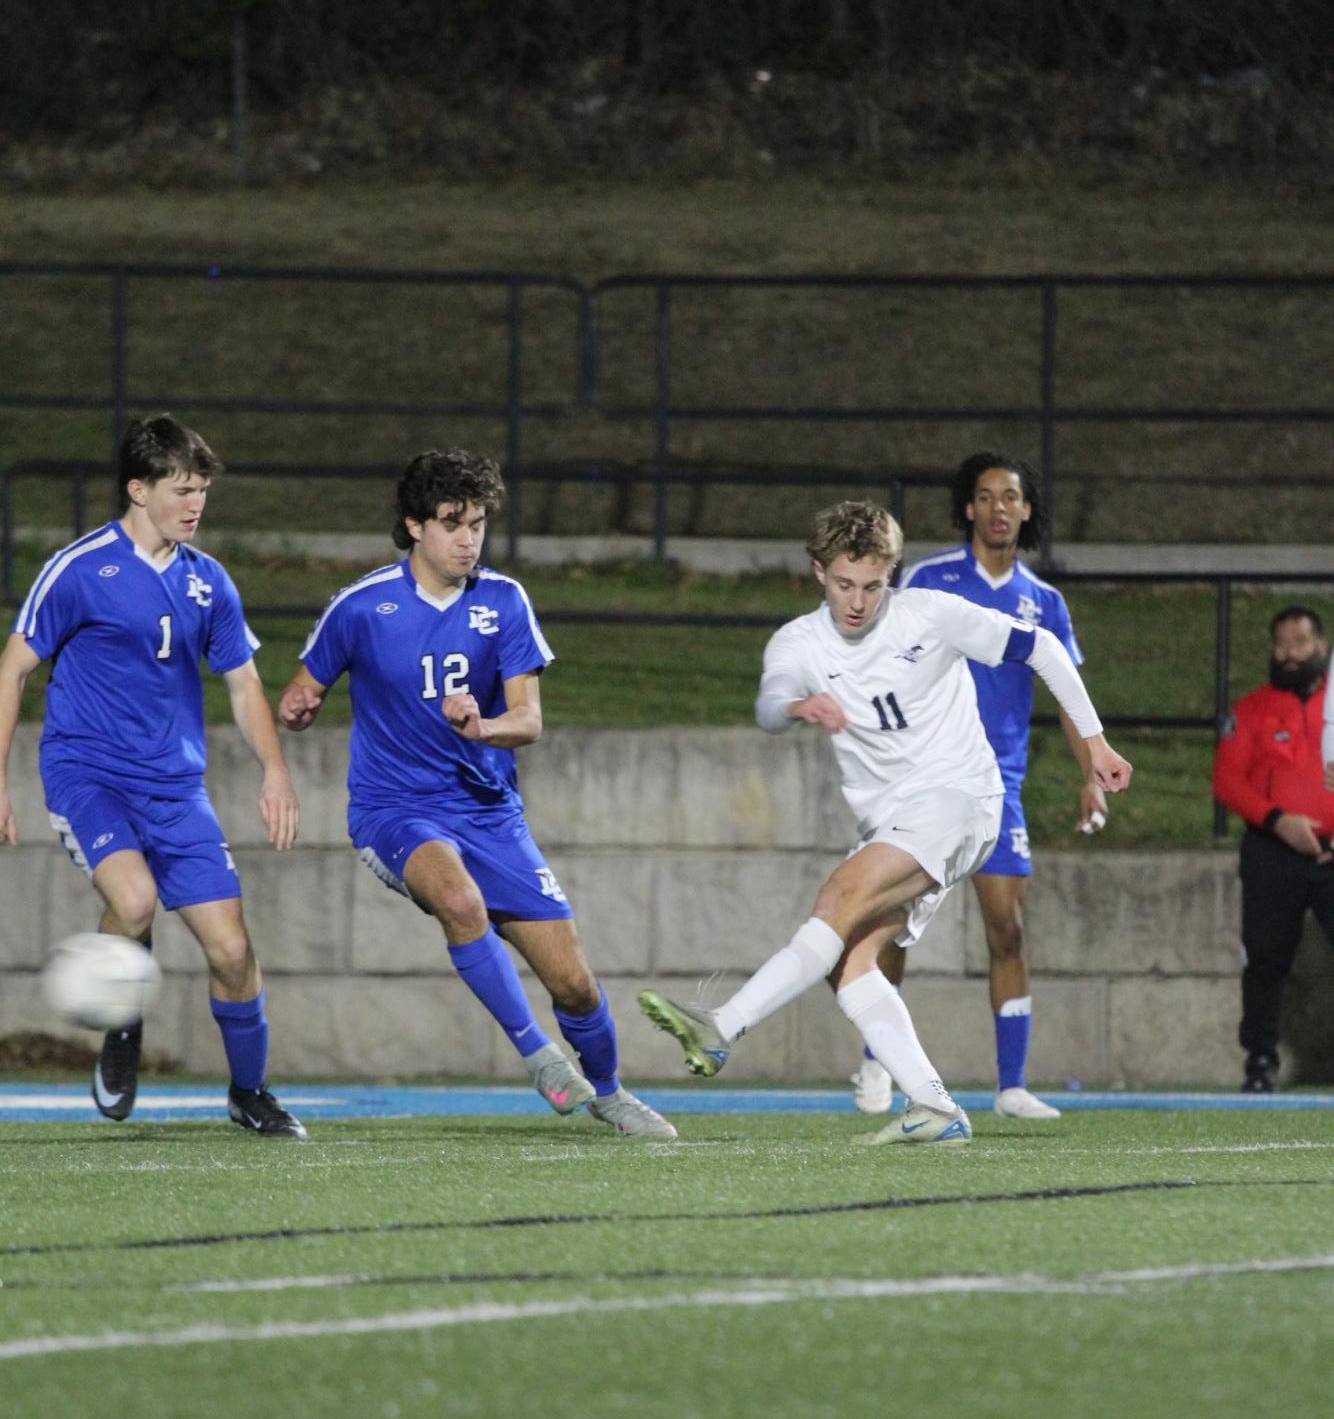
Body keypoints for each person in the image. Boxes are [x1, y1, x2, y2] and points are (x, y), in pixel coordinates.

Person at [639, 499, 1131, 1145]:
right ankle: (934, 1105)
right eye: (844, 583)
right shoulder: (798, 642)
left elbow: (1040, 646)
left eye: (873, 586)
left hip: (959, 798)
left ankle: (721, 1027)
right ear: (819, 572)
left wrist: (1095, 745)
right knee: (849, 959)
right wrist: (795, 706)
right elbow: (767, 703)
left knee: (836, 898)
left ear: (891, 576)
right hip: (893, 822)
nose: (857, 601)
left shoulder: (931, 614)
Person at [276, 447, 675, 1140]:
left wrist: (483, 726)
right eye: (452, 523)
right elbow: (299, 693)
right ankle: (538, 1055)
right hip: (393, 810)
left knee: (574, 983)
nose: (469, 539)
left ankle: (611, 1093)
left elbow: (530, 720)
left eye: (478, 523)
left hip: (489, 814)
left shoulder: (504, 600)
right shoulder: (361, 606)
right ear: (414, 525)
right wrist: (298, 709)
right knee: (459, 901)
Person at [0, 414, 306, 1137]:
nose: (195, 504)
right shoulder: (79, 568)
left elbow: (242, 684)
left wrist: (275, 771)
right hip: (89, 774)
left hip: (176, 789)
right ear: (138, 489)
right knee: (134, 900)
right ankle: (121, 1025)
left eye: (202, 491)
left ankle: (250, 1092)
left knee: (232, 950)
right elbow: (12, 670)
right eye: (181, 490)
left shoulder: (209, 581)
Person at [851, 451, 1107, 1124]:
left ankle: (1012, 1085)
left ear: (1027, 510)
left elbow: (1065, 690)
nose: (999, 507)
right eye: (987, 496)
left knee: (1008, 930)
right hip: (923, 778)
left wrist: (1091, 774)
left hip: (999, 787)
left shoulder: (1044, 602)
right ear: (968, 507)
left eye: (1011, 497)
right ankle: (877, 1059)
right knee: (894, 923)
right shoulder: (930, 578)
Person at [1213, 604, 1334, 1093]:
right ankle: (1261, 1061)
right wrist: (1279, 822)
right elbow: (1227, 780)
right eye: (1280, 644)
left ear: (1320, 647)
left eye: (1299, 643)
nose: (1288, 654)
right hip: (1272, 853)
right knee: (1264, 960)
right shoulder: (1251, 710)